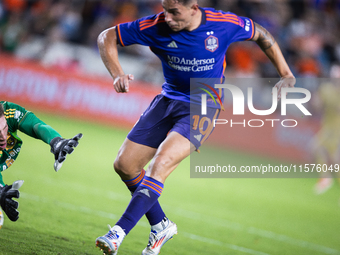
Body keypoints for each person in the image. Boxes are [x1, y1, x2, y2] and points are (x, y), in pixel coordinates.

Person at [95, 0, 296, 254]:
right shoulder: (155, 25)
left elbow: (261, 33)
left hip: (203, 104)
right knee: (124, 165)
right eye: (165, 10)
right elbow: (107, 36)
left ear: (194, 7)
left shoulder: (223, 24)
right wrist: (116, 73)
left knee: (162, 163)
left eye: (174, 12)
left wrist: (285, 72)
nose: (167, 17)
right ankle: (161, 225)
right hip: (168, 99)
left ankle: (118, 232)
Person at [0, 101, 82, 222]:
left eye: (4, 127)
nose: (3, 136)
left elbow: (35, 125)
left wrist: (55, 140)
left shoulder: (8, 111)